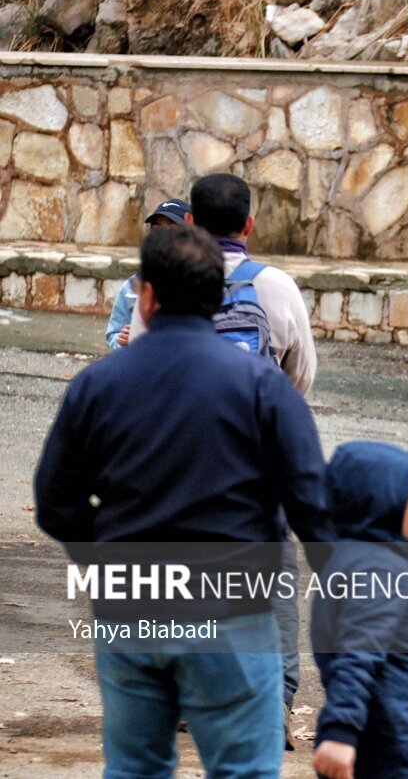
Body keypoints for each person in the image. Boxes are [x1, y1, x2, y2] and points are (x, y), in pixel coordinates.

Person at [34, 225, 335, 777]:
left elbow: (55, 503)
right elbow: (314, 513)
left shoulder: (99, 385)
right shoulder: (264, 388)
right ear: (220, 296)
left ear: (146, 295)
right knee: (243, 767)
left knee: (135, 767)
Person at [312, 442, 408, 779]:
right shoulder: (378, 568)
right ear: (382, 504)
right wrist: (340, 731)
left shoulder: (356, 558)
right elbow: (358, 650)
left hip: (392, 736)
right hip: (403, 745)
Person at [128, 173, 316, 395]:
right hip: (251, 422)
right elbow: (302, 377)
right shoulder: (280, 286)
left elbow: (138, 365)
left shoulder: (161, 282)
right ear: (248, 225)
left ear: (189, 222)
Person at [104, 199, 188, 350]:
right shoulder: (131, 287)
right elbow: (113, 332)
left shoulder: (201, 287)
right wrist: (121, 339)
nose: (164, 236)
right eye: (157, 229)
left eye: (173, 229)